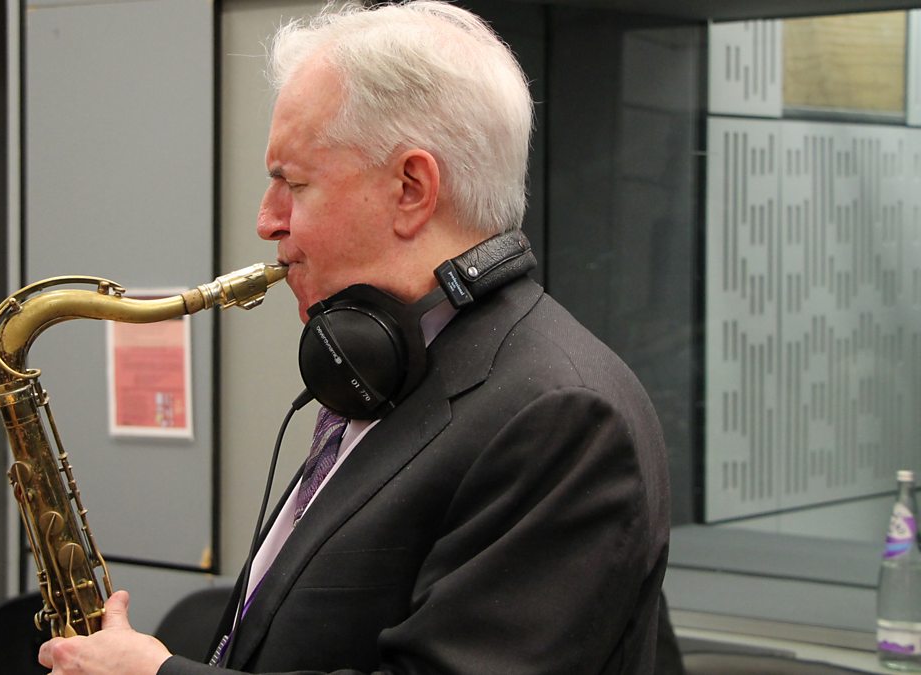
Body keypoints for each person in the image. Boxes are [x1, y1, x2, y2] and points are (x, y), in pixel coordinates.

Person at [38, 1, 670, 673]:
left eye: (292, 183)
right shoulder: (392, 371)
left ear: (411, 188)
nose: (266, 220)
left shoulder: (563, 417)